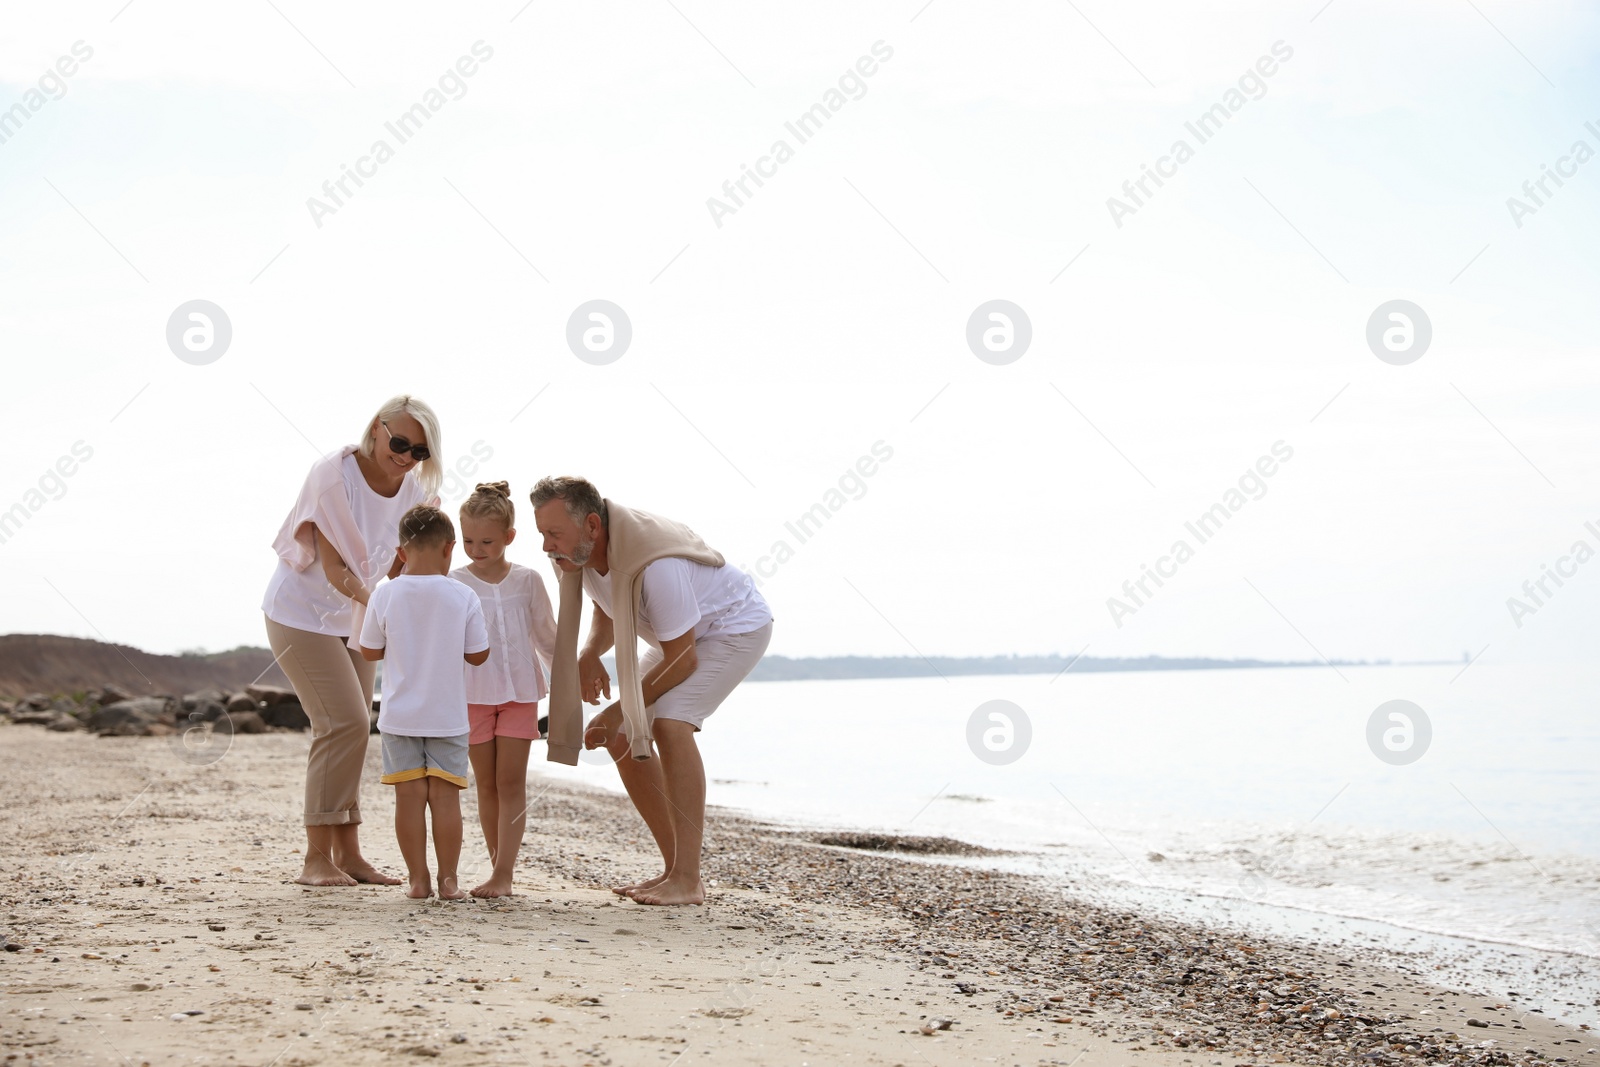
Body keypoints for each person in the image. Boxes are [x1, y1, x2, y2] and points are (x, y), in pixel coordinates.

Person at [532, 476, 773, 906]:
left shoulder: (655, 566)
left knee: (668, 722)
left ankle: (687, 878)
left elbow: (683, 660)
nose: (547, 546)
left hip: (733, 627)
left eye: (554, 534)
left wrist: (618, 709)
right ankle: (674, 871)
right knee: (621, 735)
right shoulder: (579, 556)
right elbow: (607, 603)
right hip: (679, 639)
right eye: (542, 534)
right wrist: (590, 652)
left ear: (591, 525)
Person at [262, 395, 443, 887]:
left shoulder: (413, 491)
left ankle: (350, 855)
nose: (406, 457)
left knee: (357, 730)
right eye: (400, 442)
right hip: (300, 614)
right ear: (377, 428)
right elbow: (338, 566)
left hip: (355, 616)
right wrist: (381, 605)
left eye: (420, 452)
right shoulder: (332, 476)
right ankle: (315, 860)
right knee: (342, 722)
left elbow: (402, 560)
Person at [358, 505, 490, 900]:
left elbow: (368, 652)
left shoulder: (385, 594)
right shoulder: (464, 594)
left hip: (399, 719)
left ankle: (418, 880)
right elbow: (478, 655)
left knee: (409, 799)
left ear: (401, 552)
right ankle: (449, 882)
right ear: (450, 549)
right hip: (448, 719)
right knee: (446, 800)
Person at [450, 481, 557, 898]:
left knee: (511, 783)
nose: (477, 548)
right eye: (468, 540)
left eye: (487, 541)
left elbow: (547, 637)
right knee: (486, 784)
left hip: (520, 694)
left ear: (510, 537)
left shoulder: (528, 581)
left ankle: (503, 875)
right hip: (471, 695)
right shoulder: (453, 582)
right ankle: (498, 867)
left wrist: (569, 684)